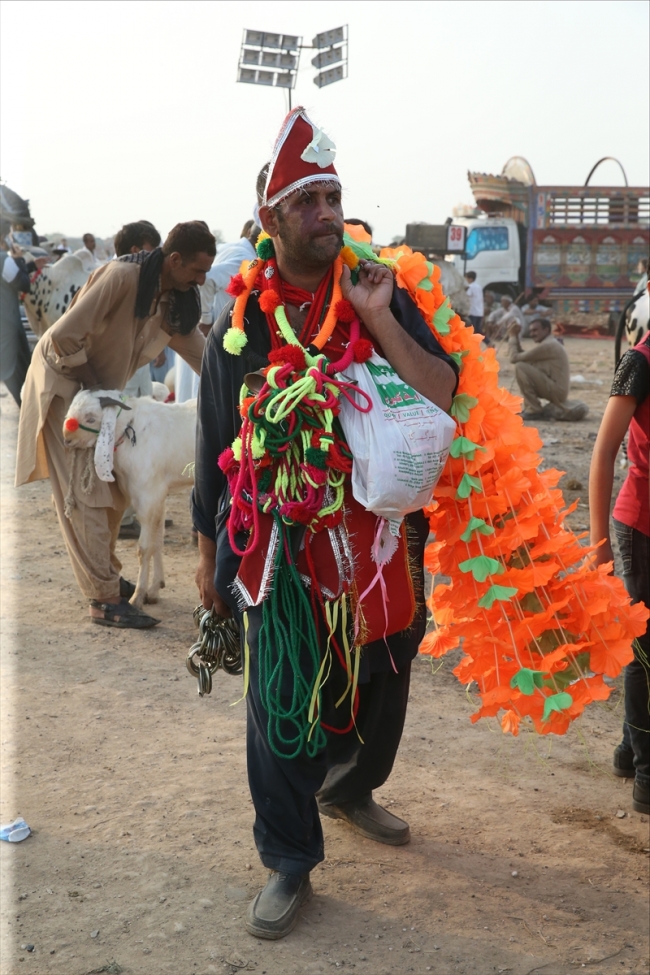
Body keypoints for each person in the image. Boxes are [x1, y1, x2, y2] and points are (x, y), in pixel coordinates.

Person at [192, 108, 457, 940]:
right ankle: (288, 857)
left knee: (385, 674)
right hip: (278, 542)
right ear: (270, 219)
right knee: (281, 697)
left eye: (333, 197)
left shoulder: (378, 287)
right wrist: (207, 555)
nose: (326, 213)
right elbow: (213, 443)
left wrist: (376, 318)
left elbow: (441, 393)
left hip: (377, 535)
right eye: (306, 201)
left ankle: (351, 787)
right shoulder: (240, 321)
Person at [15, 221, 215, 628]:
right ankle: (104, 598)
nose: (201, 280)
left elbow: (208, 359)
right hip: (68, 388)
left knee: (111, 493)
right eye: (198, 271)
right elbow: (62, 338)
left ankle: (105, 576)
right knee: (85, 492)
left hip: (102, 398)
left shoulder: (169, 302)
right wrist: (98, 393)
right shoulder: (122, 277)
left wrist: (257, 383)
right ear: (175, 260)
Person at [589, 331, 649, 815]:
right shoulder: (640, 361)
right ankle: (647, 774)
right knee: (645, 649)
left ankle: (630, 749)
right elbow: (604, 452)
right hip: (642, 525)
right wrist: (598, 543)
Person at [112, 221, 164, 539]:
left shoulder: (141, 281)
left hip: (137, 369)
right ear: (136, 250)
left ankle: (141, 513)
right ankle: (123, 518)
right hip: (121, 373)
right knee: (124, 439)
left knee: (143, 437)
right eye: (151, 250)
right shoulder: (117, 280)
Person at [175, 220, 261, 403]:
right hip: (208, 334)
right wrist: (206, 321)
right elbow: (208, 279)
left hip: (201, 331)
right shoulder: (245, 258)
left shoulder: (230, 247)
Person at [507, 317, 588, 420]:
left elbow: (514, 358)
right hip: (556, 388)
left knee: (520, 367)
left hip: (557, 391)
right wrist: (516, 336)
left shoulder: (549, 345)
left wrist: (512, 336)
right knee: (522, 365)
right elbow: (523, 357)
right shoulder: (549, 343)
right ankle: (533, 408)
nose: (532, 334)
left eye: (535, 330)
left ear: (546, 330)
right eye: (531, 331)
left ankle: (533, 409)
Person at [0, 229, 46, 407]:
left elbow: (10, 277)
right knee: (16, 373)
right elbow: (23, 284)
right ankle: (28, 409)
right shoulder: (4, 259)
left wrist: (31, 266)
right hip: (8, 327)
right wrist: (19, 259)